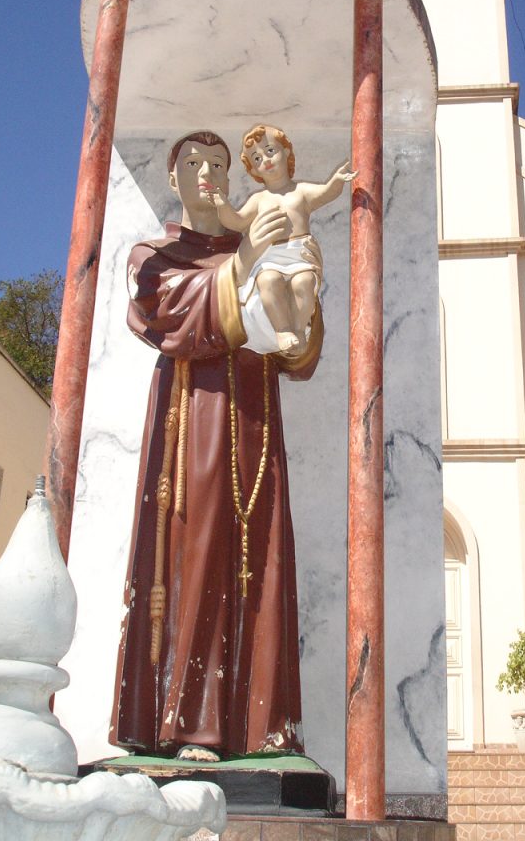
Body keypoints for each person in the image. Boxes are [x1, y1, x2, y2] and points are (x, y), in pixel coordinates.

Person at [109, 130, 323, 761]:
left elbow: (298, 344)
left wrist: (304, 319)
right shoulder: (157, 252)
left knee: (263, 557)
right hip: (193, 418)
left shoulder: (256, 237)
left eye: (220, 165)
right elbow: (160, 307)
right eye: (194, 164)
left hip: (256, 417)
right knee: (194, 553)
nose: (208, 173)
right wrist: (239, 266)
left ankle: (264, 729)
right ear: (173, 179)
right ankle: (188, 725)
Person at [208, 124, 356, 357]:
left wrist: (337, 180)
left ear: (286, 152)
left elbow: (327, 193)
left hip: (299, 253)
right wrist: (221, 204)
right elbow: (235, 222)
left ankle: (298, 329)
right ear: (254, 171)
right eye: (256, 158)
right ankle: (283, 330)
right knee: (268, 281)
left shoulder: (301, 192)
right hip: (271, 255)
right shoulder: (259, 200)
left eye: (270, 151)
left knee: (304, 282)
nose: (264, 160)